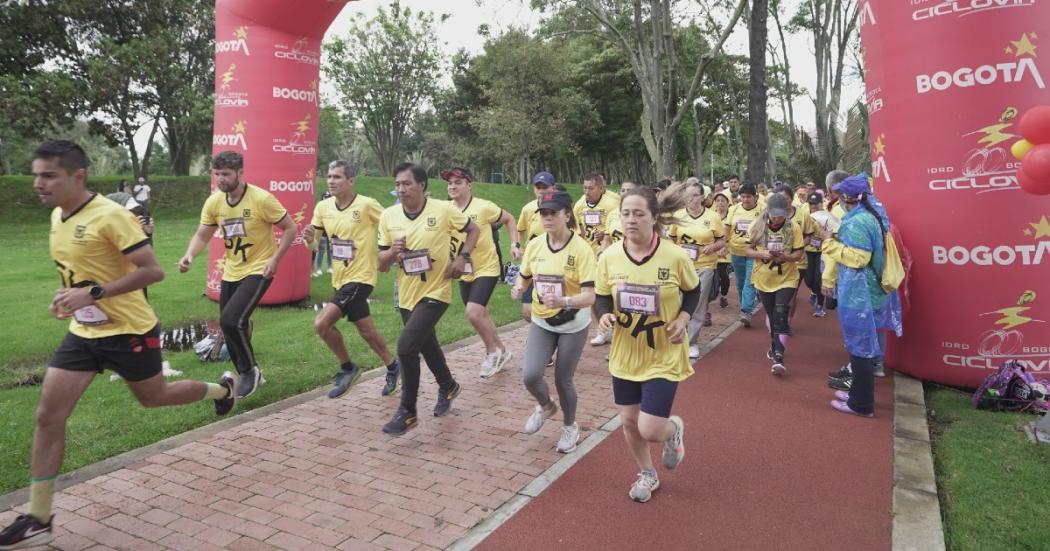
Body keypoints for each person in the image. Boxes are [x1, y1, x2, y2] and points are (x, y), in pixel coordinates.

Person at [0, 141, 237, 550]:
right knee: (47, 415)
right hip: (85, 334)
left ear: (78, 176)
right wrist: (69, 296)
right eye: (36, 174)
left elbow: (153, 271)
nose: (38, 183)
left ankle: (223, 389)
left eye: (48, 175)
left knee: (155, 397)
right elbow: (80, 270)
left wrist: (92, 293)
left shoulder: (112, 215)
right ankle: (39, 518)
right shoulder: (58, 216)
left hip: (130, 331)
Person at [595, 183, 701, 503]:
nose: (630, 220)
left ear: (653, 217)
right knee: (629, 422)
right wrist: (603, 316)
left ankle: (673, 432)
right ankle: (647, 473)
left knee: (651, 429)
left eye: (638, 214)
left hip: (663, 351)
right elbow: (602, 296)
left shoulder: (674, 255)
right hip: (626, 353)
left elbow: (693, 291)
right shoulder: (610, 257)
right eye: (625, 213)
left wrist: (683, 319)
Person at [178, 151, 297, 399]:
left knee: (233, 320)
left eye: (226, 174)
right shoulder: (214, 202)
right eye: (217, 174)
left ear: (240, 173)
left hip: (260, 268)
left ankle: (248, 372)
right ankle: (255, 373)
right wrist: (190, 255)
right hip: (232, 272)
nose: (221, 179)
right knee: (227, 324)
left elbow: (290, 228)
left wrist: (275, 260)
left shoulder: (261, 199)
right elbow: (203, 234)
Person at [378, 162, 480, 435]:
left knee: (406, 345)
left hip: (437, 290)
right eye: (397, 184)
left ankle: (408, 412)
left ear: (422, 185)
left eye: (407, 184)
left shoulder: (444, 210)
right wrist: (392, 252)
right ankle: (448, 386)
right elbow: (380, 263)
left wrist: (462, 258)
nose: (401, 189)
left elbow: (474, 231)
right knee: (426, 344)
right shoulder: (388, 216)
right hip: (406, 295)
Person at [304, 160, 401, 399]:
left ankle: (348, 368)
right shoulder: (323, 207)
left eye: (337, 177)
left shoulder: (367, 205)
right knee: (366, 330)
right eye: (329, 176)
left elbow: (392, 221)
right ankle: (393, 366)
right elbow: (315, 244)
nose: (331, 181)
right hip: (340, 279)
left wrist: (388, 253)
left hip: (361, 277)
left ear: (350, 181)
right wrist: (309, 240)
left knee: (321, 324)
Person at [511, 188, 596, 453]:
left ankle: (570, 427)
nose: (547, 218)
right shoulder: (535, 245)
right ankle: (547, 406)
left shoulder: (581, 249)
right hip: (543, 320)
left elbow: (590, 296)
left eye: (552, 213)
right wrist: (518, 287)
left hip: (573, 322)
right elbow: (524, 276)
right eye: (543, 214)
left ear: (567, 215)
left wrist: (564, 301)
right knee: (531, 376)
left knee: (563, 379)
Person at [820, 173, 902, 416]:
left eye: (840, 194)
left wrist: (829, 242)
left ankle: (862, 404)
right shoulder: (873, 214)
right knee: (863, 347)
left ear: (847, 198)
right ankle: (857, 394)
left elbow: (858, 258)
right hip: (871, 292)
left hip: (860, 295)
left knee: (860, 349)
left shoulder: (856, 222)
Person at [443, 166, 520, 378]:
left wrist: (515, 243)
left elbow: (509, 219)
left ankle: (491, 352)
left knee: (473, 312)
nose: (452, 186)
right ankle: (502, 351)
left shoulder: (484, 207)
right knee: (480, 314)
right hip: (463, 270)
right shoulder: (445, 209)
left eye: (458, 182)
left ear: (469, 185)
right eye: (450, 183)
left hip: (487, 267)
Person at [745, 193, 804, 376]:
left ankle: (779, 356)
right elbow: (746, 250)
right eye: (774, 215)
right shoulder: (757, 225)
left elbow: (799, 253)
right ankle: (774, 344)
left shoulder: (793, 227)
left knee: (780, 313)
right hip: (764, 278)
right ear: (768, 211)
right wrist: (761, 255)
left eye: (781, 215)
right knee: (771, 316)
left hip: (787, 276)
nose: (777, 219)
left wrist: (785, 257)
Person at [669, 181, 726, 359]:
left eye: (694, 195)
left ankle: (692, 342)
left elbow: (722, 240)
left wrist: (713, 247)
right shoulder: (678, 215)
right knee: (676, 301)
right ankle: (676, 335)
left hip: (704, 265)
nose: (690, 199)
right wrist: (676, 251)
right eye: (687, 195)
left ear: (702, 197)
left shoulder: (713, 217)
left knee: (698, 303)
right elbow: (670, 238)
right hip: (681, 266)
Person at [575, 172, 620, 346]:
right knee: (593, 292)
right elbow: (577, 228)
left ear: (601, 188)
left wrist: (605, 234)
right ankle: (602, 329)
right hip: (590, 255)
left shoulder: (612, 203)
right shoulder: (579, 205)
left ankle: (618, 327)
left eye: (591, 188)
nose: (587, 191)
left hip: (610, 254)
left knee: (613, 292)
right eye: (585, 187)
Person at [516, 172, 555, 322]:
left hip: (554, 259)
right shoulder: (527, 209)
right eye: (538, 187)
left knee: (551, 306)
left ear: (553, 188)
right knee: (527, 310)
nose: (541, 190)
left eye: (545, 187)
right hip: (532, 259)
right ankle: (539, 334)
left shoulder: (561, 209)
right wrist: (518, 245)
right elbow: (520, 230)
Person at [725, 183, 762, 327]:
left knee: (749, 281)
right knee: (740, 281)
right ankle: (745, 306)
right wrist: (726, 244)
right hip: (736, 250)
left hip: (753, 251)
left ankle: (746, 310)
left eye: (749, 197)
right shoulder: (734, 209)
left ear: (755, 197)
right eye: (743, 197)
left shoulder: (762, 211)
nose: (746, 200)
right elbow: (727, 227)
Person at [803, 190, 835, 318]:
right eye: (811, 204)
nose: (814, 206)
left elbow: (833, 233)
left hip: (823, 252)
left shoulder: (828, 216)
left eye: (816, 204)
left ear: (822, 203)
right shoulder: (805, 216)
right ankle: (815, 292)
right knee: (809, 280)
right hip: (808, 251)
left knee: (818, 278)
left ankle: (820, 306)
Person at [711, 191, 733, 309]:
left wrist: (725, 247)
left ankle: (723, 295)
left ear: (727, 203)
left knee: (723, 274)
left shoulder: (731, 216)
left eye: (723, 201)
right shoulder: (710, 215)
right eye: (718, 201)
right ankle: (712, 294)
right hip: (713, 250)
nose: (720, 203)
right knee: (713, 275)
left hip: (726, 251)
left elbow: (732, 234)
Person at [312, 189, 333, 277]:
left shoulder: (333, 207)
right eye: (325, 197)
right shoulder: (320, 207)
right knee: (321, 250)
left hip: (331, 233)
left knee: (330, 251)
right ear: (322, 197)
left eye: (328, 197)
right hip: (322, 233)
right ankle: (319, 268)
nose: (326, 199)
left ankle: (330, 267)